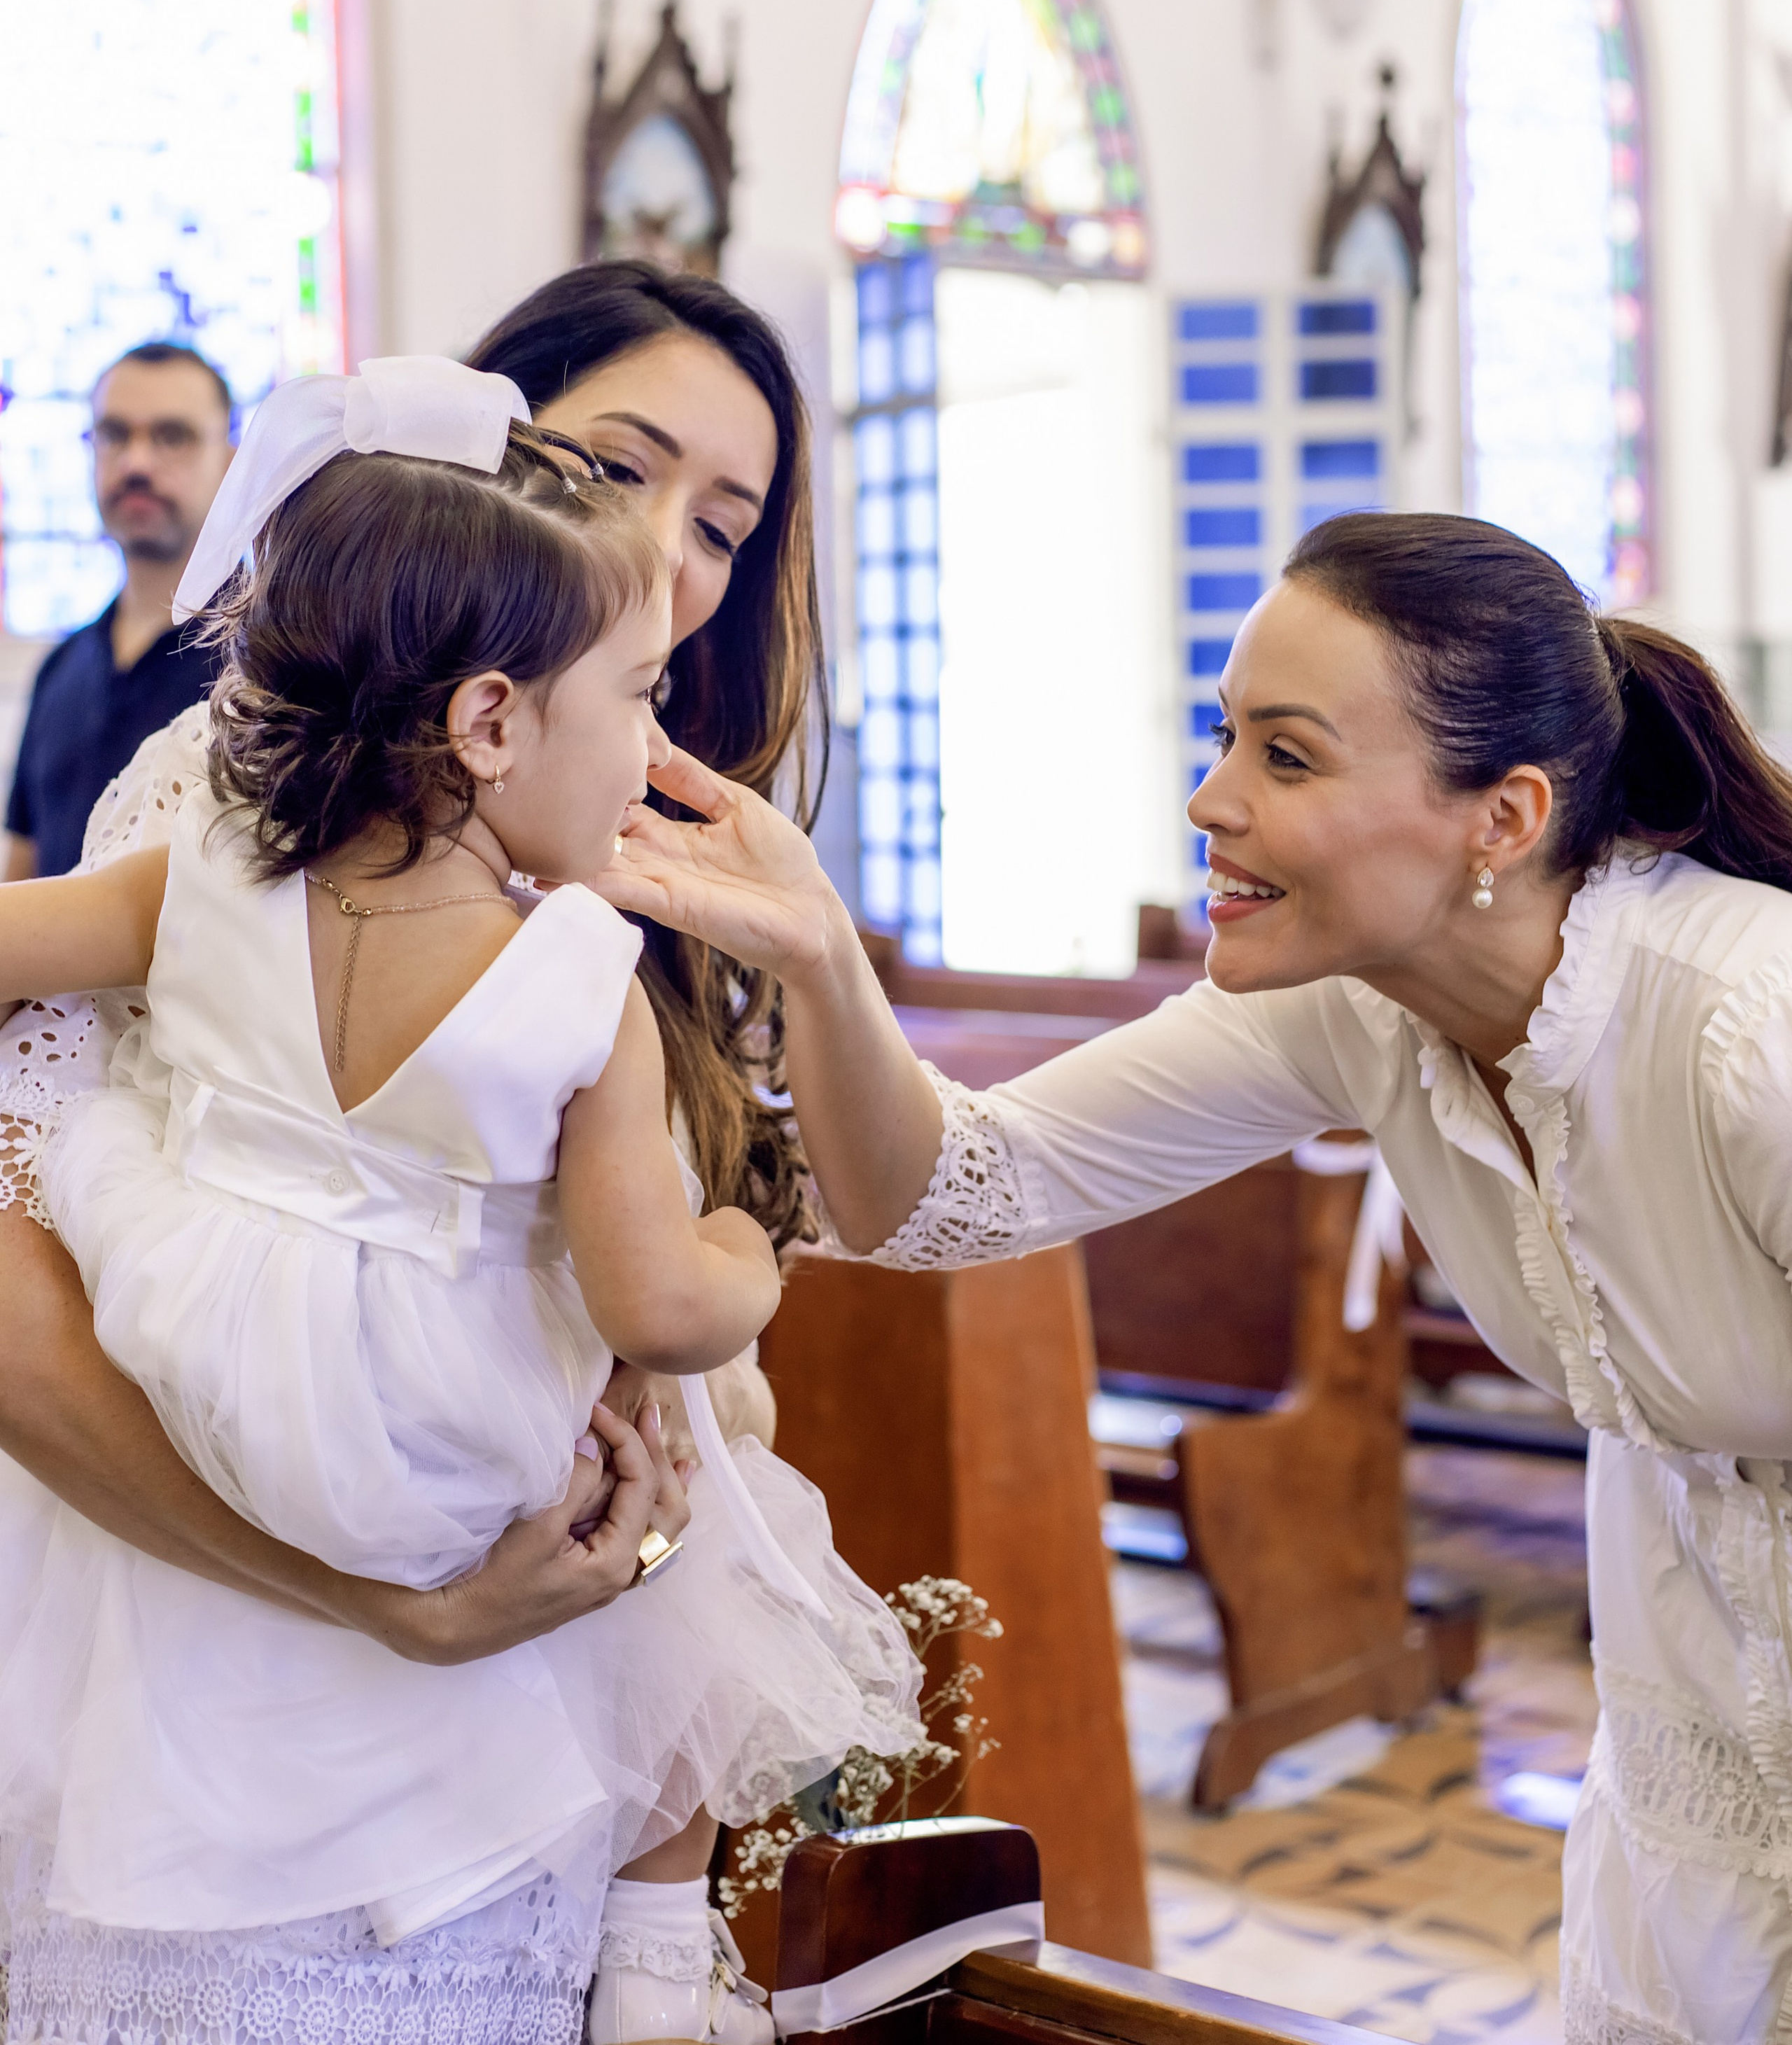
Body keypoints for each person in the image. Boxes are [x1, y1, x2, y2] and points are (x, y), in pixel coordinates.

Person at [601, 508, 1792, 2045]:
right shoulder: (1352, 1004)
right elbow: (955, 1193)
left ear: (1499, 819)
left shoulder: (1738, 1028)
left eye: (1284, 759)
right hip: (1691, 1683)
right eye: (1222, 736)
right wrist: (821, 952)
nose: (1207, 798)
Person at [0, 356, 919, 2045]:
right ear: (492, 720)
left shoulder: (201, 870)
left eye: (723, 521)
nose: (655, 740)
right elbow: (656, 1304)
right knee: (689, 1471)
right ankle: (656, 1933)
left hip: (204, 1365)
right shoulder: (579, 975)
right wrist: (747, 1256)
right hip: (441, 1465)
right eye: (639, 696)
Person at [4, 342, 234, 880]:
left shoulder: (276, 659)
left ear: (229, 463)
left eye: (171, 436)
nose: (135, 462)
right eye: (114, 435)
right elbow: (20, 876)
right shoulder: (61, 668)